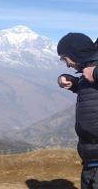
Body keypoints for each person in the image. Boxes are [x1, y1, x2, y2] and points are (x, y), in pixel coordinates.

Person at [57, 33, 98, 189]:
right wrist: (74, 82)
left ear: (74, 53)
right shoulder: (88, 70)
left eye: (65, 58)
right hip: (91, 159)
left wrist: (94, 73)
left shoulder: (93, 69)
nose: (67, 64)